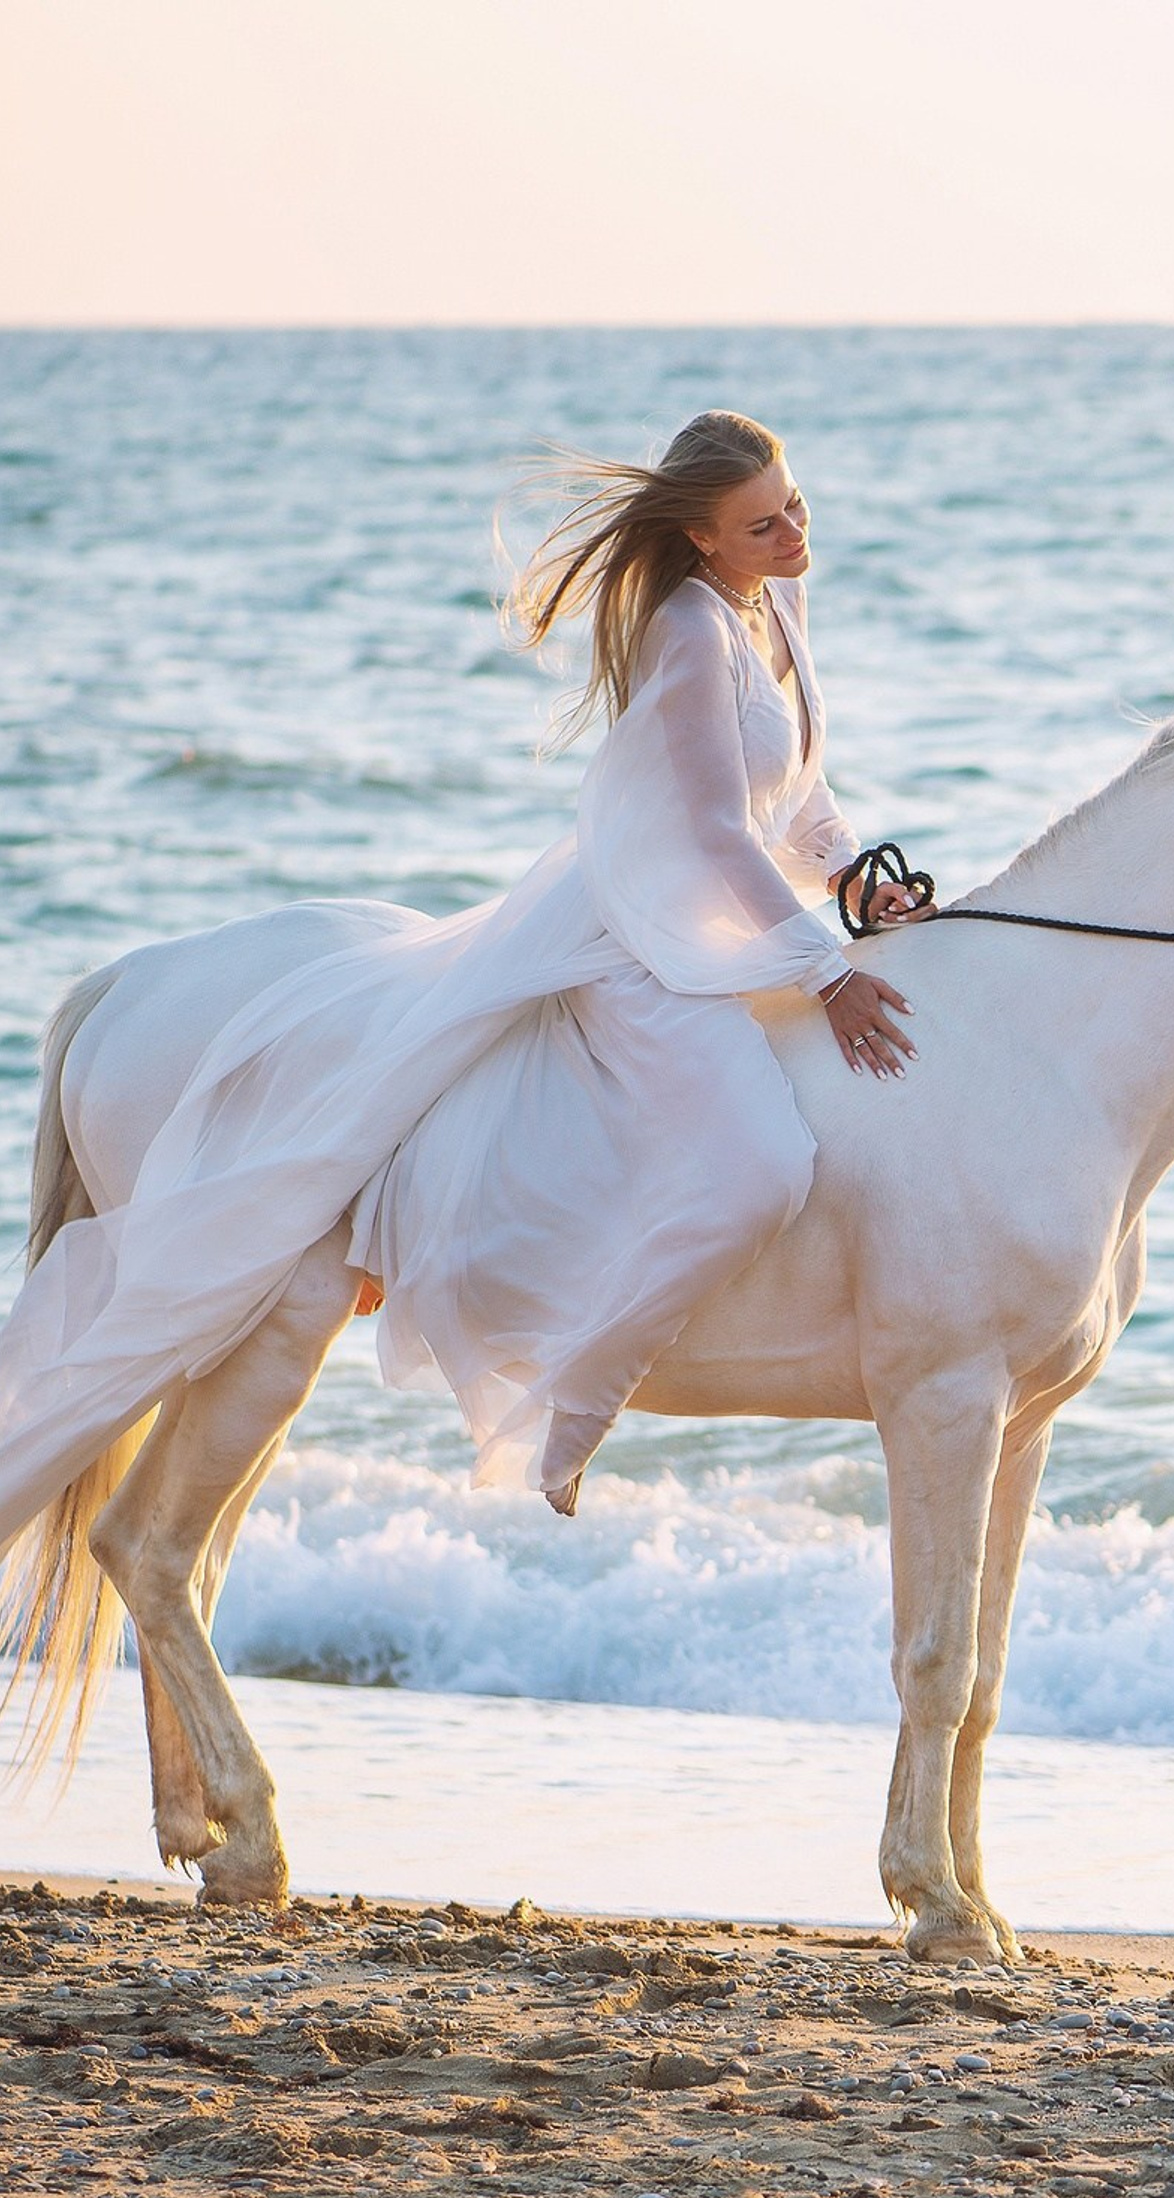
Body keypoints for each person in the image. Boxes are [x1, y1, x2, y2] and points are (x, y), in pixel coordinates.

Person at [0, 410, 913, 1540]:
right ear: (701, 538)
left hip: (718, 927)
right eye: (762, 524)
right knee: (761, 1168)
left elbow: (800, 794)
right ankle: (574, 1405)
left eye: (795, 506)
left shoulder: (772, 600)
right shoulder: (685, 628)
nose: (792, 534)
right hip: (640, 933)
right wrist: (827, 975)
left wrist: (855, 881)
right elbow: (722, 831)